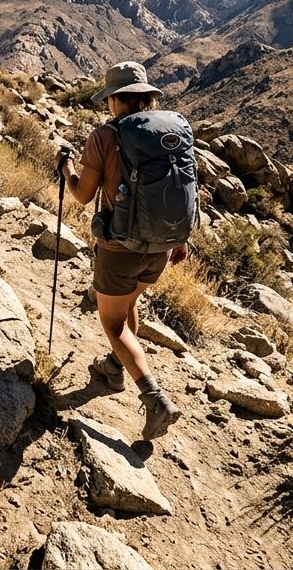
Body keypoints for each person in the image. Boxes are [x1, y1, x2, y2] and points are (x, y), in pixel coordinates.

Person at [58, 61, 185, 441]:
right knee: (129, 304)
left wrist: (66, 170)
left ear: (114, 99)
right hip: (162, 246)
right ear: (147, 97)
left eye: (110, 99)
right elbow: (180, 188)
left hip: (119, 247)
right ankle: (115, 368)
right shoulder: (170, 131)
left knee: (113, 324)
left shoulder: (103, 137)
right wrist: (180, 238)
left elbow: (82, 196)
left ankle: (155, 398)